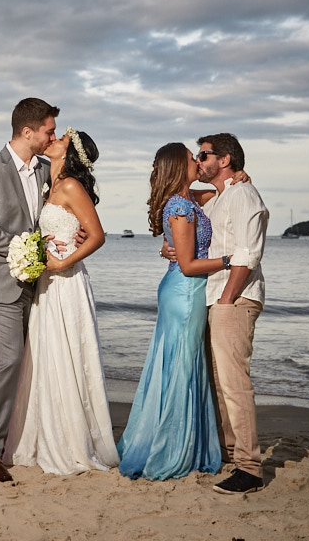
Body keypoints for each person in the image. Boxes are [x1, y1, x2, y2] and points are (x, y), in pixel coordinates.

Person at [2, 128, 119, 475]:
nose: (53, 139)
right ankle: (43, 432)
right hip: (46, 285)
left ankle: (71, 440)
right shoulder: (49, 183)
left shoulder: (70, 186)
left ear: (70, 153)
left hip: (66, 282)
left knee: (68, 354)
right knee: (46, 355)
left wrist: (61, 262)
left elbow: (97, 235)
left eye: (62, 139)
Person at [117, 143, 227, 480]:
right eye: (191, 158)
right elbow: (191, 264)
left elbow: (217, 192)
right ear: (179, 167)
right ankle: (172, 448)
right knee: (181, 366)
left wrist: (234, 177)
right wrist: (230, 260)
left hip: (183, 289)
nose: (197, 161)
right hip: (185, 291)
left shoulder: (190, 199)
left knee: (183, 364)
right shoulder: (180, 206)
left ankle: (186, 442)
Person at [0, 97, 57, 482]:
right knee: (8, 360)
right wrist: (28, 247)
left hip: (37, 283)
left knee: (30, 362)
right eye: (48, 131)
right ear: (27, 131)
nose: (52, 137)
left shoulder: (47, 170)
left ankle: (21, 438)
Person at [196, 133, 269, 494]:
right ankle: (231, 454)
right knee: (221, 385)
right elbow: (183, 194)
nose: (198, 160)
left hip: (235, 299)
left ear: (225, 159)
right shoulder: (218, 198)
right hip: (217, 299)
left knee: (235, 384)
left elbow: (247, 253)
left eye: (204, 154)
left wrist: (226, 298)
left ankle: (250, 469)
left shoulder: (242, 195)